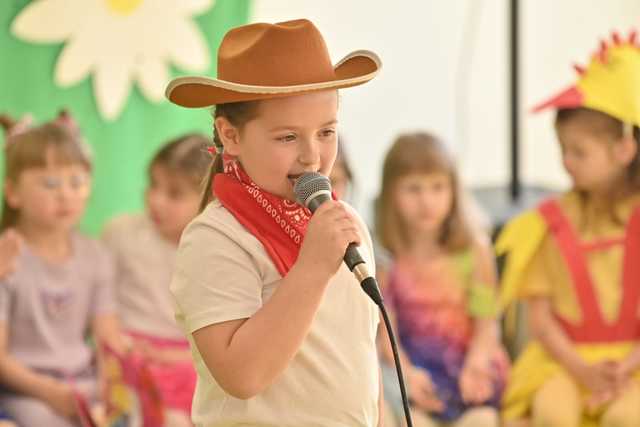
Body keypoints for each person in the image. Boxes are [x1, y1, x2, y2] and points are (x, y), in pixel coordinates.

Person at [166, 19, 383, 426]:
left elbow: (360, 364)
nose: (312, 157)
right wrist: (313, 268)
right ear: (230, 136)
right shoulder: (215, 238)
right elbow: (242, 375)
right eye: (287, 137)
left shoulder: (345, 221)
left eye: (326, 132)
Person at [497, 31, 640, 427]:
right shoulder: (545, 225)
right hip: (562, 362)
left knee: (627, 417)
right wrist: (581, 369)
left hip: (632, 364)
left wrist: (624, 368)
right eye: (563, 150)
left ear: (624, 150)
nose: (567, 163)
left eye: (579, 152)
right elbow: (540, 320)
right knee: (553, 411)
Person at [0, 111, 126, 426]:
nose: (65, 194)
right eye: (50, 183)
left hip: (83, 384)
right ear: (13, 192)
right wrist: (50, 392)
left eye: (77, 182)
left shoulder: (95, 254)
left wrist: (110, 383)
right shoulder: (7, 256)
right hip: (26, 390)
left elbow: (107, 335)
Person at [376, 133, 507, 427]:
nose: (427, 201)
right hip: (418, 379)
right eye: (413, 189)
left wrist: (477, 362)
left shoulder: (475, 250)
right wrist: (407, 374)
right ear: (391, 194)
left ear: (454, 190)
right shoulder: (386, 258)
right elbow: (387, 331)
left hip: (470, 372)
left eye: (438, 188)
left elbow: (487, 322)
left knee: (482, 421)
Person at [102, 133, 210, 426]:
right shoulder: (122, 233)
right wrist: (124, 346)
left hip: (188, 362)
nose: (156, 200)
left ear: (207, 199)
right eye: (153, 185)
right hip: (131, 351)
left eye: (174, 194)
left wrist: (177, 359)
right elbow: (100, 304)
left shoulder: (213, 250)